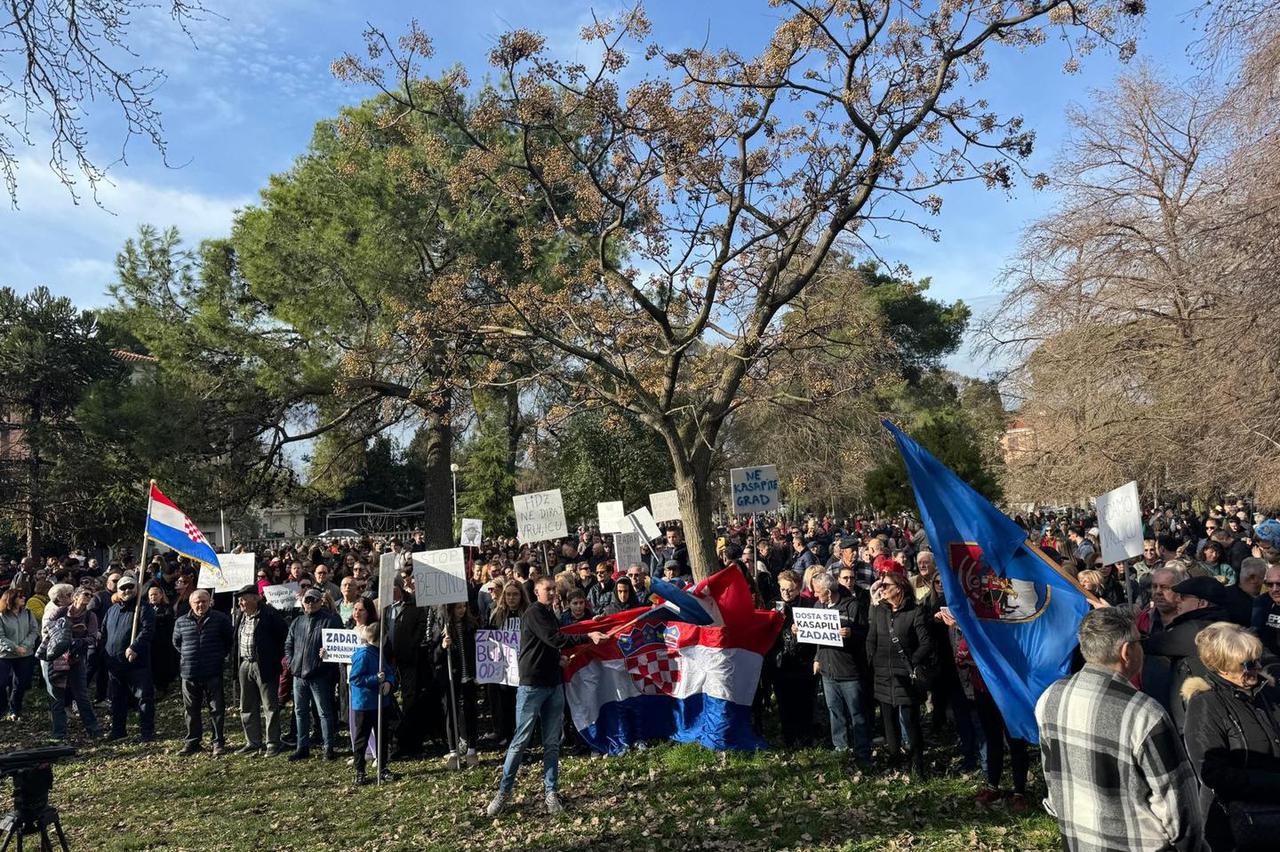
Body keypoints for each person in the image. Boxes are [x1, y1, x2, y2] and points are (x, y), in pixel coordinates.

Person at [1036, 607, 1205, 852]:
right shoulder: (1145, 713)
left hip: (1078, 839)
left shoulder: (1051, 697)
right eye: (1140, 641)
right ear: (1127, 651)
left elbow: (1051, 773)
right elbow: (1177, 801)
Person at [486, 576, 606, 817]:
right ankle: (503, 792)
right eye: (547, 589)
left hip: (553, 684)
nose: (552, 593)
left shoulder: (551, 614)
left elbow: (548, 646)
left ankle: (551, 792)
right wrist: (588, 636)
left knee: (551, 743)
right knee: (520, 741)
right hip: (532, 685)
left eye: (554, 589)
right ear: (536, 592)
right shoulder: (534, 612)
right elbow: (554, 638)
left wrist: (558, 659)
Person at [1181, 622, 1280, 851]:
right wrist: (1273, 782)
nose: (1257, 667)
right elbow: (1213, 773)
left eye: (1257, 659)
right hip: (1236, 825)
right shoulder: (1205, 704)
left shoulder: (1267, 692)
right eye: (1248, 664)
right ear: (1224, 668)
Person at [866, 571, 935, 776]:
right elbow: (871, 639)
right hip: (883, 675)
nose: (882, 589)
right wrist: (872, 662)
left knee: (910, 722)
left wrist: (912, 663)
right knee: (888, 722)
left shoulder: (915, 612)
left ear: (899, 588)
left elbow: (926, 643)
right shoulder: (879, 611)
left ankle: (917, 764)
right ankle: (894, 759)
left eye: (886, 585)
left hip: (905, 676)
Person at [811, 571, 872, 765]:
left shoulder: (852, 606)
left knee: (857, 713)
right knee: (835, 711)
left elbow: (866, 634)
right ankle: (841, 748)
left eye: (817, 591)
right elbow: (817, 636)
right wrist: (817, 658)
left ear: (828, 592)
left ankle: (863, 752)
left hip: (849, 671)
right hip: (827, 670)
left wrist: (851, 634)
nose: (815, 595)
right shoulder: (818, 606)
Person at [171, 588, 234, 755]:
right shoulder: (181, 621)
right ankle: (192, 741)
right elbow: (177, 643)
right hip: (189, 672)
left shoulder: (220, 619)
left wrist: (218, 656)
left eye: (204, 601)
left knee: (217, 709)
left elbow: (229, 640)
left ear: (210, 602)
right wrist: (190, 655)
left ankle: (218, 742)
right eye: (197, 602)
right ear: (191, 604)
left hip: (213, 670)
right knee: (191, 710)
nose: (201, 605)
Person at [284, 586, 342, 761]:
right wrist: (292, 663)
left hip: (320, 675)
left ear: (320, 602)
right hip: (298, 675)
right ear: (303, 602)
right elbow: (288, 644)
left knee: (324, 712)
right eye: (307, 600)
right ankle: (302, 746)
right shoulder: (297, 621)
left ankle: (328, 747)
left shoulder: (330, 620)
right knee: (300, 711)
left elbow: (337, 646)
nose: (310, 603)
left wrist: (326, 658)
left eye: (314, 600)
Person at [231, 584, 287, 755]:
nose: (240, 603)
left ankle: (273, 743)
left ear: (256, 598)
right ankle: (253, 741)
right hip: (245, 663)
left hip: (264, 665)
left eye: (244, 599)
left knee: (269, 705)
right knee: (247, 704)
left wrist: (274, 658)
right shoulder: (241, 615)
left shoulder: (270, 614)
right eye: (239, 600)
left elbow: (283, 637)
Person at [39, 585, 101, 740]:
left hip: (76, 659)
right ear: (76, 596)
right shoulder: (60, 611)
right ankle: (59, 734)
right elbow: (47, 628)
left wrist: (77, 641)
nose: (89, 597)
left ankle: (93, 730)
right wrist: (68, 629)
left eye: (91, 595)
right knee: (57, 696)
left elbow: (93, 638)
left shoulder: (90, 616)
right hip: (56, 658)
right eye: (86, 594)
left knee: (81, 695)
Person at [103, 574, 156, 742]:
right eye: (123, 588)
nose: (127, 590)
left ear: (137, 589)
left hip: (136, 662)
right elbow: (104, 633)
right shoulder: (112, 610)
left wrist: (135, 647)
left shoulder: (144, 608)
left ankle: (147, 732)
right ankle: (118, 731)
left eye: (130, 587)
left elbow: (147, 630)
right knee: (117, 699)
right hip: (114, 664)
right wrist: (103, 654)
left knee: (143, 697)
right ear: (117, 591)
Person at [770, 570, 817, 748]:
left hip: (803, 660)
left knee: (805, 700)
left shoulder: (809, 605)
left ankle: (806, 736)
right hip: (781, 661)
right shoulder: (774, 605)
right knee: (784, 701)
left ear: (798, 589)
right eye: (782, 589)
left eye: (789, 590)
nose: (786, 593)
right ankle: (788, 736)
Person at [349, 623, 398, 785]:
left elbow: (388, 672)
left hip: (380, 703)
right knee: (361, 739)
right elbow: (355, 678)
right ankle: (360, 770)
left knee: (382, 736)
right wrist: (374, 679)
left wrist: (389, 682)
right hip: (364, 704)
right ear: (382, 638)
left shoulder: (379, 653)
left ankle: (382, 767)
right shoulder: (363, 655)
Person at [438, 600, 480, 769]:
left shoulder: (471, 626)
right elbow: (434, 656)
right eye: (458, 607)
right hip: (451, 678)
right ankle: (453, 750)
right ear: (450, 608)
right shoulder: (443, 628)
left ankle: (471, 749)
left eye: (464, 606)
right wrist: (442, 646)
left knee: (471, 711)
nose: (462, 610)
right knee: (451, 711)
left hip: (469, 676)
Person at [0, 587, 40, 722]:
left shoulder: (28, 613)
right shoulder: (1, 615)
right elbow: (1, 636)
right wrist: (14, 647)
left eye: (24, 596)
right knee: (1, 683)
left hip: (25, 654)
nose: (24, 598)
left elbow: (34, 631)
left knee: (20, 683)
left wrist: (24, 646)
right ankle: (2, 708)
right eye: (20, 596)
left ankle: (15, 708)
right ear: (11, 599)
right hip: (5, 655)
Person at [1254, 564, 1280, 660]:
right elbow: (1255, 631)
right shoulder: (1262, 601)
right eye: (1270, 584)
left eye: (1279, 584)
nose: (1274, 589)